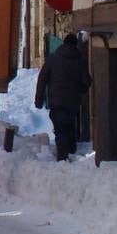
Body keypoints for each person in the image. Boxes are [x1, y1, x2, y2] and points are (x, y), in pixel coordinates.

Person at [35, 33, 92, 161]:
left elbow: (42, 79)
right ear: (75, 45)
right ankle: (69, 152)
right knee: (69, 125)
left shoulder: (53, 58)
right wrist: (81, 90)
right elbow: (86, 81)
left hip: (56, 101)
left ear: (63, 44)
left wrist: (39, 98)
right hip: (72, 101)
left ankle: (62, 156)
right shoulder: (80, 60)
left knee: (60, 127)